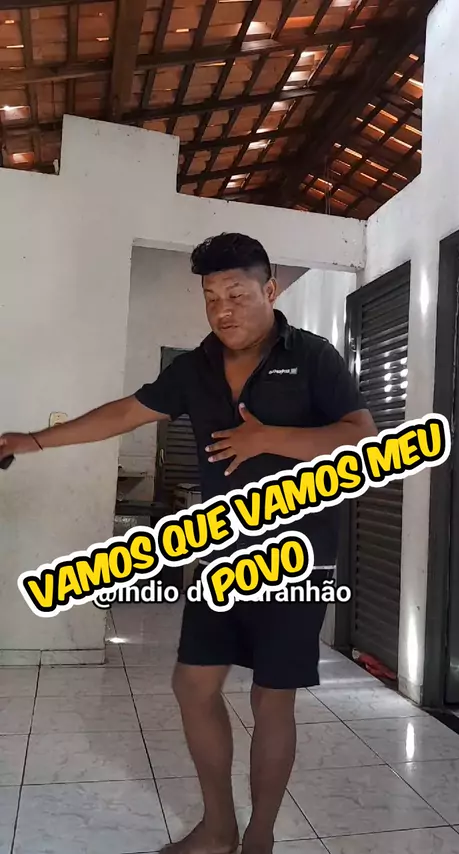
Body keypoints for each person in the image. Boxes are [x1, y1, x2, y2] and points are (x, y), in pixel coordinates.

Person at [0, 233, 376, 854]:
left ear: (269, 290)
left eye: (236, 293)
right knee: (194, 685)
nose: (222, 309)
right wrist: (33, 441)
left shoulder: (313, 357)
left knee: (271, 696)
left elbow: (360, 437)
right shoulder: (194, 368)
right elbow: (125, 413)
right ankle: (218, 828)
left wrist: (268, 438)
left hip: (299, 557)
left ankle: (259, 837)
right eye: (210, 296)